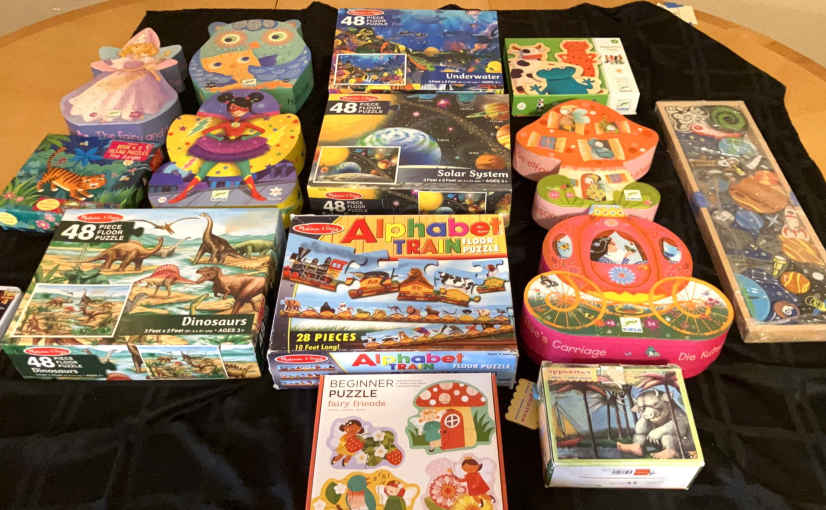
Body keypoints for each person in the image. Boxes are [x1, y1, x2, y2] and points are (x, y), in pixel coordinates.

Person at [168, 92, 269, 203]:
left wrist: (248, 137)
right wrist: (217, 138)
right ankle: (183, 193)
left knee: (245, 170)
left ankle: (254, 192)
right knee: (203, 170)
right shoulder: (226, 124)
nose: (237, 112)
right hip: (222, 146)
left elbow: (261, 131)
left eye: (242, 109)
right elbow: (206, 131)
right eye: (234, 108)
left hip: (239, 146)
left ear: (247, 110)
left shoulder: (245, 124)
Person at [68, 30, 177, 123]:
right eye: (136, 46)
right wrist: (109, 64)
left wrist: (154, 64)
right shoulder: (127, 59)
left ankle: (133, 110)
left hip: (141, 78)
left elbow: (156, 63)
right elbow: (114, 63)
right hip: (120, 77)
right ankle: (105, 110)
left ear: (148, 48)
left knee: (136, 93)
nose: (138, 48)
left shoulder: (146, 59)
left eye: (142, 46)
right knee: (113, 91)